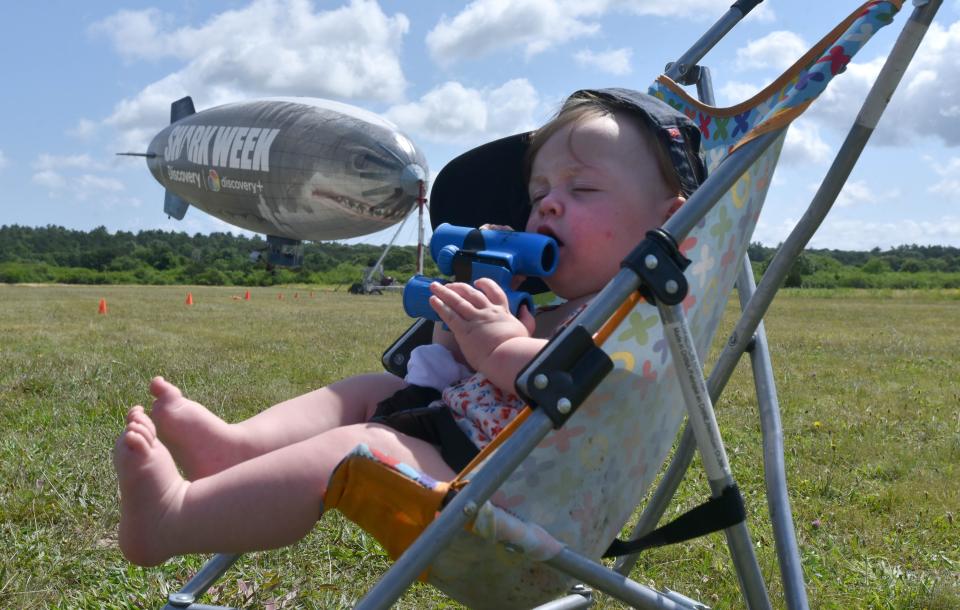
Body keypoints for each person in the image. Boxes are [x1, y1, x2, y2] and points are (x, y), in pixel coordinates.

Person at [113, 88, 705, 567]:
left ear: (669, 224)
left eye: (583, 189)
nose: (547, 205)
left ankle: (174, 519)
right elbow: (491, 376)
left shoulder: (642, 321)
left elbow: (550, 379)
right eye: (539, 191)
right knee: (363, 391)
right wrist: (458, 333)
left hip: (516, 499)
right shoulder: (552, 306)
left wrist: (496, 341)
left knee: (358, 450)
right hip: (464, 448)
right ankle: (236, 448)